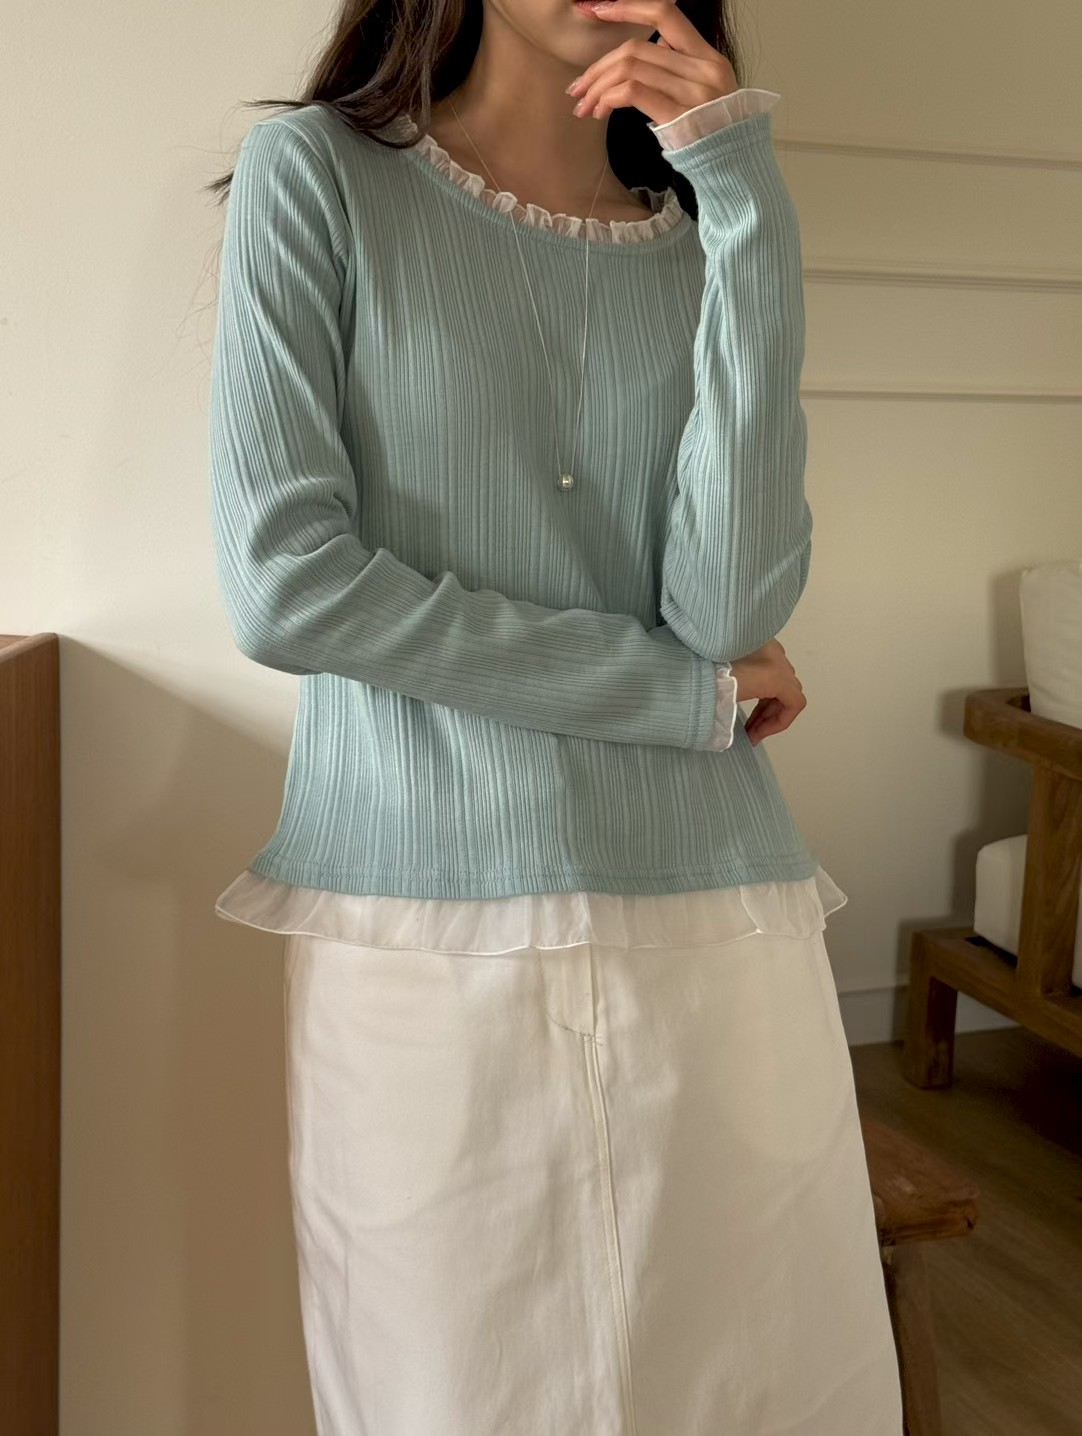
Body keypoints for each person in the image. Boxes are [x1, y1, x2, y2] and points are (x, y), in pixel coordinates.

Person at [206, 1, 905, 1431]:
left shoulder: (705, 223)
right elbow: (288, 589)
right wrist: (671, 697)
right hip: (424, 914)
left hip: (709, 911)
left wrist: (744, 200)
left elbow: (726, 603)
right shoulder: (319, 178)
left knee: (753, 1385)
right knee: (455, 1387)